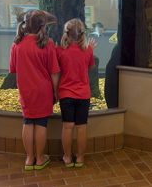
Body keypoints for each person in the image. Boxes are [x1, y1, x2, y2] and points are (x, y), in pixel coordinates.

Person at [9, 10, 60, 171]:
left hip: (25, 89)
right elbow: (54, 72)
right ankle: (40, 158)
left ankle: (29, 159)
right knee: (41, 123)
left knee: (28, 121)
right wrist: (56, 92)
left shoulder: (17, 43)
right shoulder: (48, 43)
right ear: (43, 26)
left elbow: (13, 69)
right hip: (43, 90)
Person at [56, 18, 96, 167]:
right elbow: (90, 66)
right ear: (82, 34)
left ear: (66, 33)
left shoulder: (59, 51)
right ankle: (80, 158)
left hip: (66, 94)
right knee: (81, 127)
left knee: (67, 126)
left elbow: (56, 69)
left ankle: (67, 157)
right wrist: (90, 49)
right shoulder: (88, 51)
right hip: (83, 94)